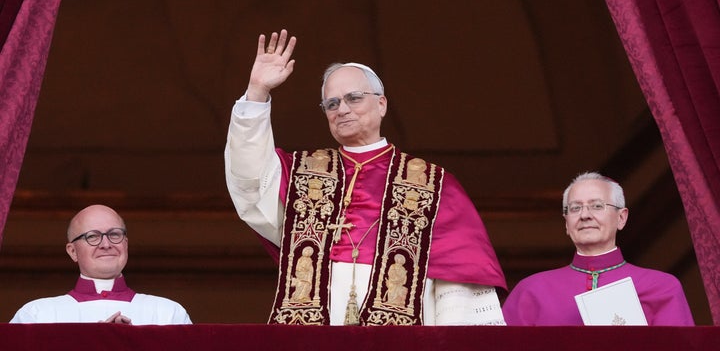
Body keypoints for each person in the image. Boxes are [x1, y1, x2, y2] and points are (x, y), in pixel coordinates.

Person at [224, 29, 507, 326]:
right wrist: (257, 92)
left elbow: (459, 284)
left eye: (354, 98)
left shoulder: (434, 185)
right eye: (331, 104)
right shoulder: (302, 175)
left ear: (381, 104)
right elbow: (250, 179)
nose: (342, 109)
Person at [502, 171, 694, 325]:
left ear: (621, 218)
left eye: (596, 206)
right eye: (575, 208)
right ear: (566, 223)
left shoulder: (661, 287)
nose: (585, 215)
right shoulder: (531, 291)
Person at [10, 204, 191, 325]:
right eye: (93, 236)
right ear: (72, 251)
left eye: (114, 234)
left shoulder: (168, 314)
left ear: (125, 243)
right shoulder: (37, 316)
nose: (106, 244)